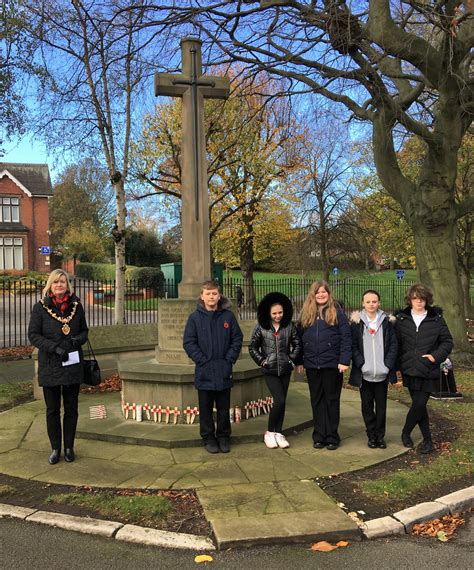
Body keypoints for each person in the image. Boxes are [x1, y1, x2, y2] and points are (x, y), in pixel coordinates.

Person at [28, 269, 88, 464]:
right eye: (56, 282)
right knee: (52, 409)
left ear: (67, 285)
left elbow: (84, 331)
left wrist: (77, 340)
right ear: (50, 285)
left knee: (71, 408)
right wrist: (54, 348)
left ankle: (69, 447)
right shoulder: (40, 308)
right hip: (51, 364)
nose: (60, 285)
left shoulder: (76, 307)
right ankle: (56, 448)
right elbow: (34, 335)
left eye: (63, 281)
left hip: (72, 363)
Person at [183, 280, 243, 454]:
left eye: (214, 294)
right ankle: (208, 438)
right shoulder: (194, 318)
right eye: (208, 294)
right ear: (202, 296)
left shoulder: (228, 316)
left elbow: (237, 339)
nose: (211, 297)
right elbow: (189, 342)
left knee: (224, 408)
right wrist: (202, 360)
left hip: (224, 370)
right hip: (204, 371)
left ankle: (223, 436)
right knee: (206, 408)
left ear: (219, 296)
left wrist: (229, 359)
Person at [395, 283, 453, 454]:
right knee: (418, 407)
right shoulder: (401, 319)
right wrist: (398, 365)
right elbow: (397, 343)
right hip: (410, 368)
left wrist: (435, 356)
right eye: (415, 299)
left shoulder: (436, 319)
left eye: (422, 299)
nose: (418, 302)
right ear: (410, 300)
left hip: (428, 368)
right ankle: (427, 439)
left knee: (420, 403)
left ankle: (405, 433)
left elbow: (447, 341)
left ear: (427, 300)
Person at [296, 280, 351, 450]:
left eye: (324, 292)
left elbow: (346, 337)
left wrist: (344, 360)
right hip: (312, 364)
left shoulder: (337, 312)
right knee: (317, 400)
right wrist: (299, 361)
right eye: (317, 292)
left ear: (328, 293)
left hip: (332, 364)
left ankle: (332, 436)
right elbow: (298, 339)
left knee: (331, 400)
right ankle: (319, 435)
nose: (321, 295)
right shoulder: (306, 314)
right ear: (313, 295)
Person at [249, 292, 302, 449]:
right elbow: (252, 347)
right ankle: (270, 432)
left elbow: (297, 344)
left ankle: (279, 432)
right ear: (268, 313)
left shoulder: (289, 326)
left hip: (285, 369)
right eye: (274, 313)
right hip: (270, 370)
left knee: (283, 402)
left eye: (280, 312)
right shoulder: (261, 328)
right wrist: (262, 361)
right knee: (279, 400)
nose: (278, 316)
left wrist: (291, 359)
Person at [349, 290, 398, 449]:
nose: (371, 304)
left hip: (382, 374)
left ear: (379, 303)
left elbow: (393, 345)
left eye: (374, 301)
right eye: (368, 302)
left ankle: (380, 436)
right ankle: (371, 436)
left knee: (382, 407)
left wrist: (387, 366)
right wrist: (361, 364)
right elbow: (353, 346)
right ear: (363, 303)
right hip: (365, 374)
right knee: (367, 406)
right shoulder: (357, 323)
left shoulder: (387, 322)